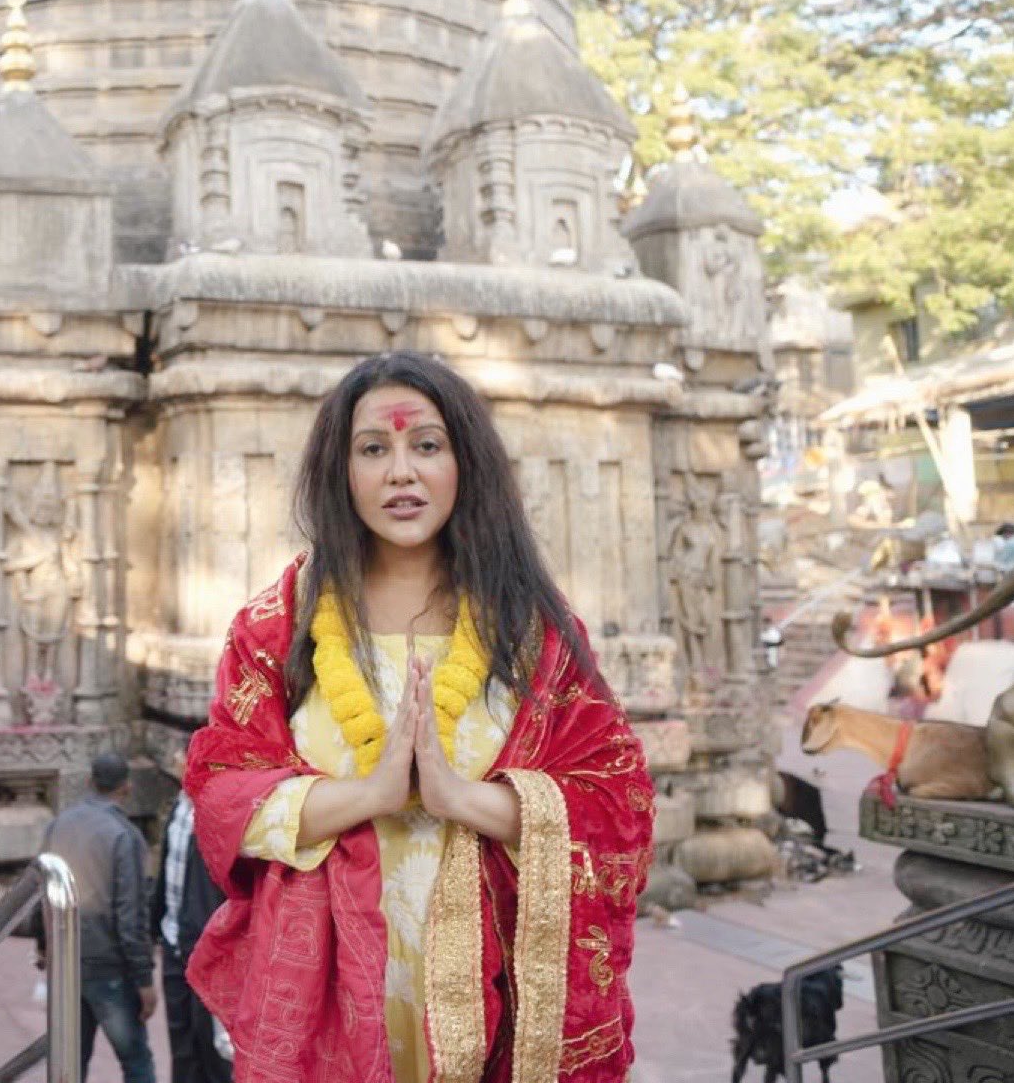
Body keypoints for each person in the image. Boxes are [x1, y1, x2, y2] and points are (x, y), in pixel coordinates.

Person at [185, 352, 654, 1083]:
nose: (401, 473)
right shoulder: (279, 625)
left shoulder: (531, 630)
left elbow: (617, 806)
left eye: (426, 445)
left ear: (464, 463)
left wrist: (460, 798)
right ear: (341, 471)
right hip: (333, 998)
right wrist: (369, 795)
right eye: (373, 449)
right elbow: (220, 795)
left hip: (495, 995)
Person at [41, 752, 158, 1083]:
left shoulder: (59, 824)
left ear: (90, 782)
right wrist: (144, 978)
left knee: (70, 1061)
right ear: (127, 787)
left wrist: (43, 946)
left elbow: (42, 888)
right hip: (109, 967)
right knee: (136, 1061)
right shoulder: (125, 836)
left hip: (65, 962)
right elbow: (131, 915)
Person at [151, 788, 231, 1083]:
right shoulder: (178, 806)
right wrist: (154, 926)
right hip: (173, 942)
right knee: (182, 1049)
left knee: (213, 1052)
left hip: (207, 949)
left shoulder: (220, 807)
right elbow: (166, 870)